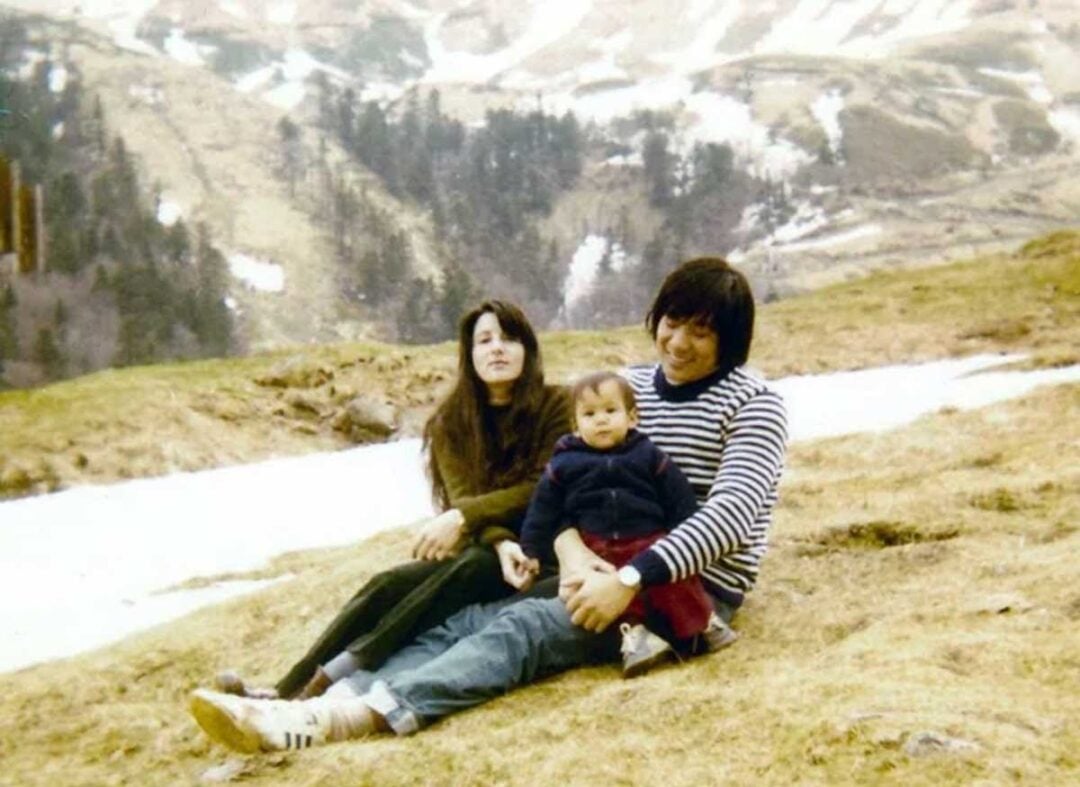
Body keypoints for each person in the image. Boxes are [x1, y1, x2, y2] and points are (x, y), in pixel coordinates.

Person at [189, 257, 788, 752]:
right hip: (599, 566)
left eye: (701, 332)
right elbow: (568, 483)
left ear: (729, 341)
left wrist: (629, 579)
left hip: (689, 591)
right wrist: (572, 553)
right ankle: (318, 702)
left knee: (525, 628)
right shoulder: (624, 392)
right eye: (673, 322)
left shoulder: (755, 405)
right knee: (470, 617)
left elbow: (729, 518)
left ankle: (351, 720)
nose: (678, 342)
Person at [207, 299, 570, 702]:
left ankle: (328, 681)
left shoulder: (557, 405)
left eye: (509, 338)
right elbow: (464, 495)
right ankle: (283, 689)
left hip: (542, 548)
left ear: (528, 349)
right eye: (484, 340)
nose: (496, 348)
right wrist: (498, 540)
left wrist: (466, 519)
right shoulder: (451, 423)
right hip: (487, 544)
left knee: (468, 566)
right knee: (390, 583)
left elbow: (542, 485)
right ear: (469, 355)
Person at [518, 371, 734, 677]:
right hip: (596, 547)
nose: (601, 420)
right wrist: (531, 550)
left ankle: (702, 625)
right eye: (589, 414)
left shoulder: (648, 455)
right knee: (600, 589)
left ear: (632, 418)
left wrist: (685, 533)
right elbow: (543, 509)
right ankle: (635, 638)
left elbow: (679, 498)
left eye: (610, 411)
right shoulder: (564, 464)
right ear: (575, 425)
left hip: (649, 538)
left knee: (672, 582)